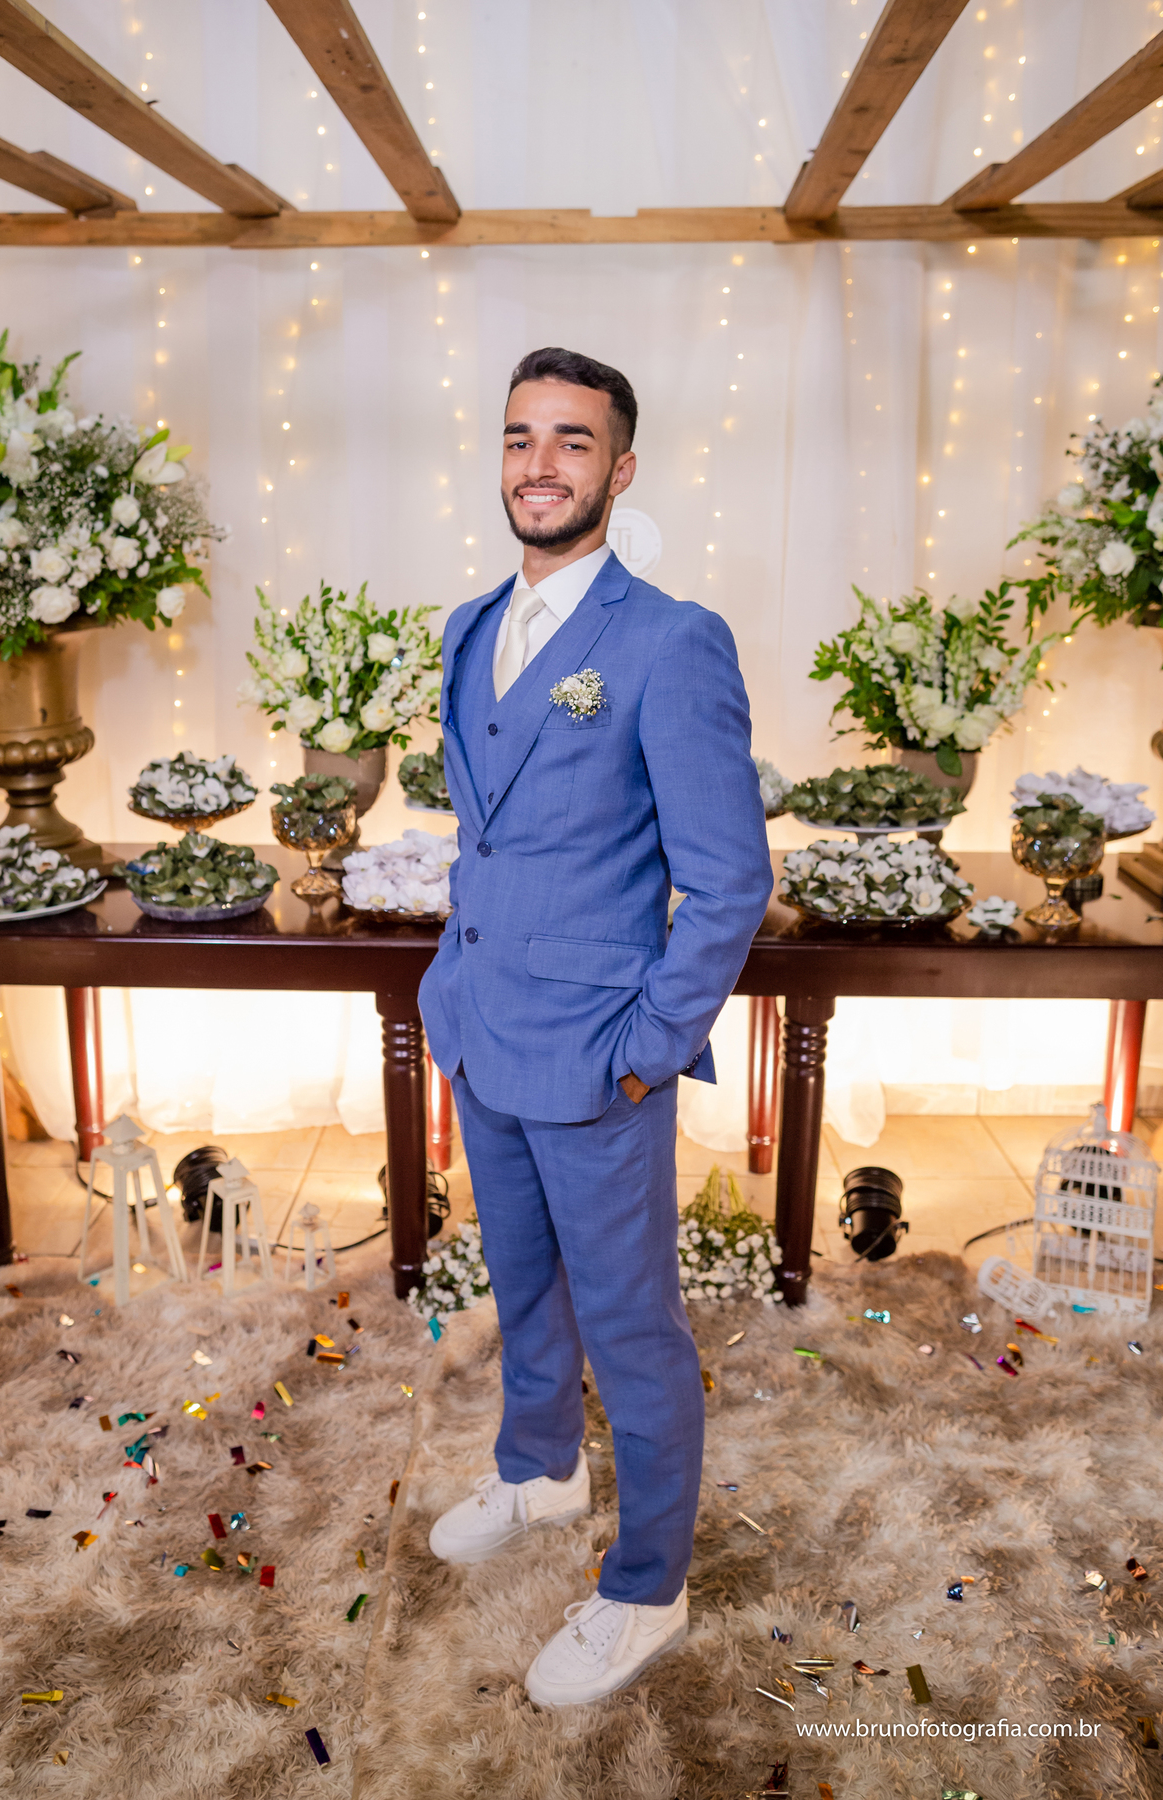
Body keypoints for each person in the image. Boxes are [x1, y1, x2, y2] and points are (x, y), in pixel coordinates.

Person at [417, 346, 771, 1707]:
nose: (540, 463)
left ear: (620, 471)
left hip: (599, 1053)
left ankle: (647, 1590)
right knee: (523, 1283)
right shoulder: (467, 628)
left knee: (633, 1327)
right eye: (521, 437)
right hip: (481, 1027)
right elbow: (492, 837)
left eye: (572, 441)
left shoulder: (671, 640)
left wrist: (650, 1046)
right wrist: (448, 987)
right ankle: (540, 1468)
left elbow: (729, 878)